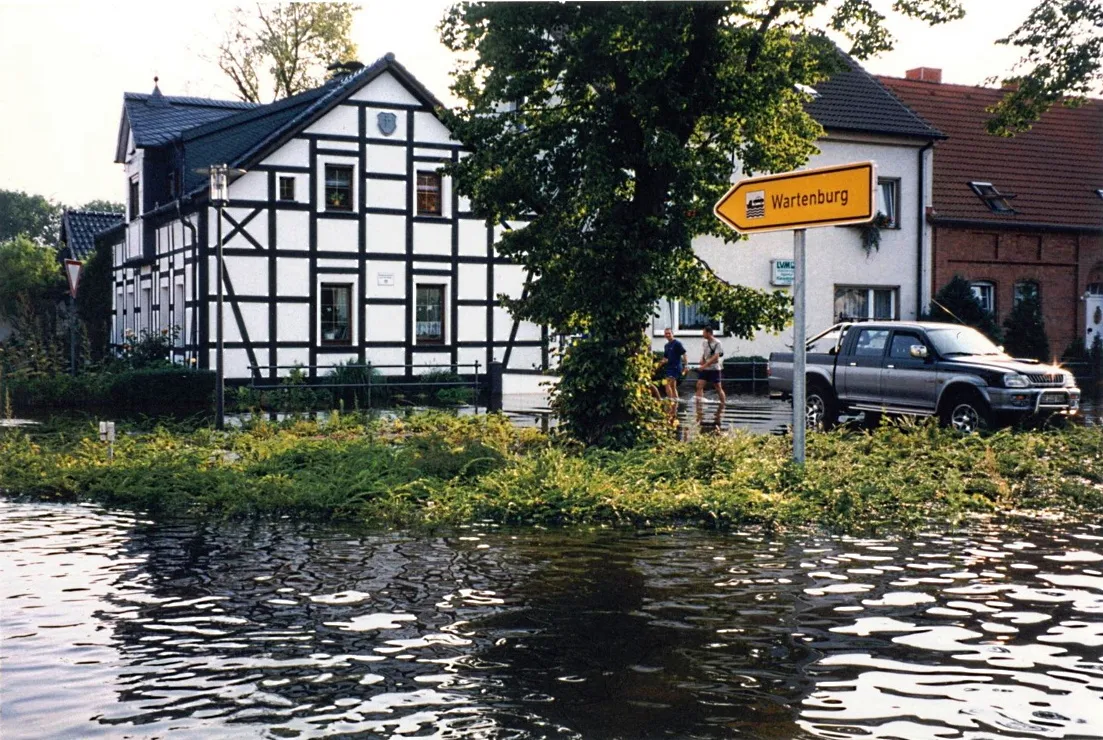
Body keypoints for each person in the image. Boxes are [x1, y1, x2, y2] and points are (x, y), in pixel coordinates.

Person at [695, 326, 727, 405]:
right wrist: (702, 359)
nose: (703, 334)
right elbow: (705, 352)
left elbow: (715, 357)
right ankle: (699, 403)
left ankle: (723, 404)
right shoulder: (704, 342)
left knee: (718, 387)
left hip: (714, 368)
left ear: (709, 333)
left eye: (704, 332)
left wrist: (704, 366)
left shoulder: (717, 343)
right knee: (699, 385)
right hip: (706, 368)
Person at [659, 328, 687, 404]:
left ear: (672, 334)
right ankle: (675, 404)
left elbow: (684, 354)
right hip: (669, 368)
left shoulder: (677, 343)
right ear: (664, 335)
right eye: (666, 333)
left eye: (669, 333)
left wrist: (686, 366)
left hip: (676, 367)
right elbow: (665, 358)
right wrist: (660, 363)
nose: (667, 335)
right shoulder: (666, 346)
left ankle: (670, 402)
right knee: (673, 387)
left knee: (666, 383)